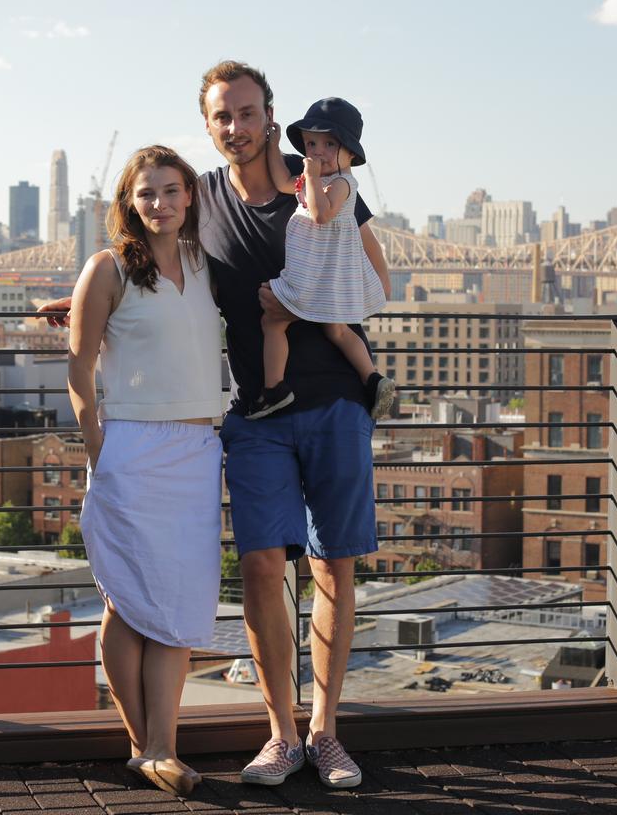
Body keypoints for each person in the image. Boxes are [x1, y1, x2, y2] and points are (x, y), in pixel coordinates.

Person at [196, 61, 382, 789]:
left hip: (335, 400)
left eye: (248, 113)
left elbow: (373, 282)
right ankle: (280, 734)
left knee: (335, 565)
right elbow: (142, 252)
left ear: (272, 116)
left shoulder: (320, 186)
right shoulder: (204, 199)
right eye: (223, 117)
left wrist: (301, 308)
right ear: (209, 125)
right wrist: (82, 302)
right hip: (257, 409)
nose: (237, 127)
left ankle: (327, 732)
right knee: (262, 567)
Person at [66, 145, 224, 797]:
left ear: (190, 195)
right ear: (128, 203)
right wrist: (97, 448)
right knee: (128, 604)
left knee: (177, 607)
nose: (159, 203)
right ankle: (150, 745)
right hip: (131, 448)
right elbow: (78, 368)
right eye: (145, 193)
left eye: (170, 190)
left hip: (196, 453)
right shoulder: (107, 269)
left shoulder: (207, 264)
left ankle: (157, 748)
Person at [248, 98, 395, 421]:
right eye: (311, 143)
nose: (317, 151)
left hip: (313, 276)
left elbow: (320, 214)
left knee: (273, 321)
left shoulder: (342, 184)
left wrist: (312, 177)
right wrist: (273, 144)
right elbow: (282, 182)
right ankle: (372, 378)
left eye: (330, 144)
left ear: (350, 154)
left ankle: (274, 389)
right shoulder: (314, 180)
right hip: (326, 277)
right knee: (338, 330)